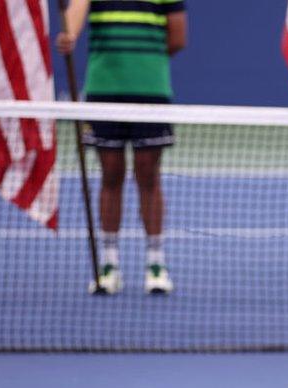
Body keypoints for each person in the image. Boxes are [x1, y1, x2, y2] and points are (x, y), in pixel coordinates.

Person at [57, 0, 187, 295]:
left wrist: (144, 63)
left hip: (151, 93)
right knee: (111, 175)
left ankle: (156, 264)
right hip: (104, 93)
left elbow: (178, 38)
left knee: (149, 176)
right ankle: (109, 264)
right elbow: (76, 11)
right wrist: (70, 36)